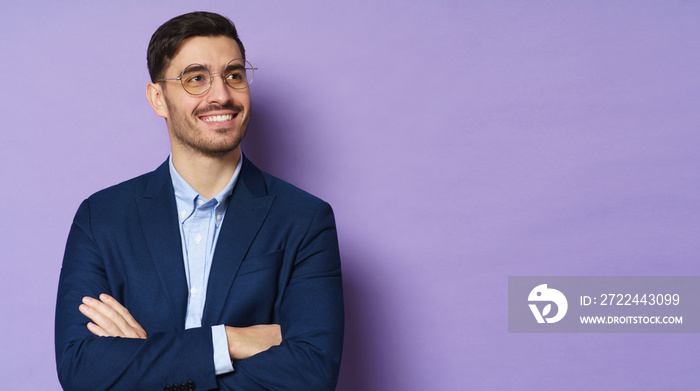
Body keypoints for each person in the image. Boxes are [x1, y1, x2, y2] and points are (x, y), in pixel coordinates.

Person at [55, 11, 344, 391]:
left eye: (234, 75)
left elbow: (311, 374)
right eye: (196, 78)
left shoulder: (306, 219)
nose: (221, 94)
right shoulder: (101, 217)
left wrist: (145, 363)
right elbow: (81, 370)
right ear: (158, 99)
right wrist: (227, 342)